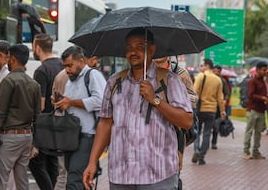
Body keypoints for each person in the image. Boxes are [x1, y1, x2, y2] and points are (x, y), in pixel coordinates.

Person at [83, 28, 192, 190]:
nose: (133, 52)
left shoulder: (170, 80)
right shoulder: (114, 83)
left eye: (140, 46)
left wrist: (155, 99)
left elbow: (186, 121)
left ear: (152, 49)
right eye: (129, 47)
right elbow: (105, 124)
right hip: (121, 175)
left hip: (158, 174)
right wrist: (92, 162)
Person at [0, 44, 41, 190]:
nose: (8, 61)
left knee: (2, 177)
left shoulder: (8, 81)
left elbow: (1, 111)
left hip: (10, 137)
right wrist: (35, 141)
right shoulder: (34, 84)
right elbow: (37, 115)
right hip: (27, 137)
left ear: (14, 59)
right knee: (22, 178)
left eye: (9, 58)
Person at [53, 46, 106, 190]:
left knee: (74, 181)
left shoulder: (93, 75)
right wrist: (62, 103)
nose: (67, 70)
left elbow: (101, 101)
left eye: (70, 65)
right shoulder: (70, 81)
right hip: (71, 137)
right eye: (65, 66)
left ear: (81, 61)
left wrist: (71, 102)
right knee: (78, 178)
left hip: (88, 136)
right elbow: (71, 104)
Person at [28, 33, 63, 190]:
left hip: (44, 125)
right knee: (53, 164)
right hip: (60, 122)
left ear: (37, 48)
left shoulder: (41, 71)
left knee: (35, 163)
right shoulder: (62, 65)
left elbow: (40, 105)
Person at [192, 58, 226, 165]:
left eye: (202, 65)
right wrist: (222, 111)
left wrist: (191, 107)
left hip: (200, 109)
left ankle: (196, 149)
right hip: (211, 110)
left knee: (197, 132)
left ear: (207, 66)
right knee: (207, 134)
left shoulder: (200, 76)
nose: (201, 67)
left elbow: (194, 93)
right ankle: (201, 157)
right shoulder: (217, 79)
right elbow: (220, 97)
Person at [243, 62, 268, 160]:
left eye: (266, 70)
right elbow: (251, 95)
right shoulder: (252, 81)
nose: (265, 72)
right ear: (257, 70)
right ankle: (246, 151)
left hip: (261, 110)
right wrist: (262, 98)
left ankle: (256, 151)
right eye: (264, 70)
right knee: (249, 131)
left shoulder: (264, 81)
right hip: (253, 109)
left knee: (258, 132)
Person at [211, 65, 230, 150]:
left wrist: (225, 100)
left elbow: (227, 93)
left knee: (216, 125)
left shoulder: (222, 81)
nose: (216, 73)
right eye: (214, 71)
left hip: (218, 106)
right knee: (207, 125)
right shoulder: (208, 79)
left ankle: (214, 143)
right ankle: (205, 141)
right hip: (208, 106)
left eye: (218, 71)